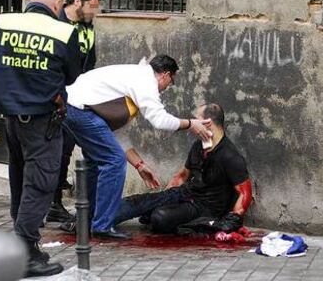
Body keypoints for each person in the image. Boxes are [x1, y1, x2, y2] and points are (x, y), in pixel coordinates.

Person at [0, 0, 81, 277]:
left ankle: (24, 246)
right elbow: (72, 75)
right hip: (42, 120)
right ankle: (25, 253)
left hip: (11, 119)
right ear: (56, 4)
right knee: (40, 184)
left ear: (31, 1)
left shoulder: (1, 22)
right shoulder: (63, 31)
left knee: (19, 177)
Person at [61, 55, 212, 239]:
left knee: (95, 161)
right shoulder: (145, 81)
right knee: (114, 162)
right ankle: (101, 226)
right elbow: (159, 120)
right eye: (170, 83)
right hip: (79, 109)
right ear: (165, 75)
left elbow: (117, 135)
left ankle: (87, 220)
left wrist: (139, 165)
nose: (165, 89)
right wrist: (190, 124)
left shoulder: (132, 80)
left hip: (72, 107)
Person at [113, 103, 253, 234]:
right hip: (186, 194)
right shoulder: (199, 146)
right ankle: (98, 218)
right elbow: (182, 176)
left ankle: (169, 218)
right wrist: (163, 197)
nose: (193, 124)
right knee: (141, 202)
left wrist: (233, 218)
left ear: (207, 123)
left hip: (205, 208)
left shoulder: (229, 155)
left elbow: (244, 192)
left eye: (197, 120)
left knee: (159, 217)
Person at [46, 0, 103, 225]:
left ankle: (55, 203)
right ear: (77, 1)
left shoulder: (87, 27)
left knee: (65, 150)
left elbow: (90, 61)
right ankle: (48, 203)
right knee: (52, 152)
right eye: (91, 6)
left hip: (77, 97)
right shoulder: (55, 24)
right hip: (54, 96)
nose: (94, 12)